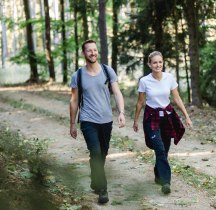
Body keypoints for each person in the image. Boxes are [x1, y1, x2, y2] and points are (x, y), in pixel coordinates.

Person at [69, 39, 126, 204]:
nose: (93, 53)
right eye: (89, 51)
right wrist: (72, 123)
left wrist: (121, 112)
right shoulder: (78, 75)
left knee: (102, 153)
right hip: (88, 120)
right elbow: (74, 100)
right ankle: (103, 189)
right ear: (84, 53)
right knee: (95, 152)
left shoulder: (108, 71)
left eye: (94, 50)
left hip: (106, 120)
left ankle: (95, 179)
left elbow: (117, 93)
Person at [133, 51, 193, 194]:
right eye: (154, 62)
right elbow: (140, 102)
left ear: (163, 62)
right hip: (151, 116)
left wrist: (187, 116)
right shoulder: (144, 81)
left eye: (160, 62)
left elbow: (177, 98)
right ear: (149, 64)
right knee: (159, 148)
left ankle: (158, 174)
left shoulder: (169, 78)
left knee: (164, 150)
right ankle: (166, 182)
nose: (158, 65)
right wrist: (135, 120)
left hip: (167, 116)